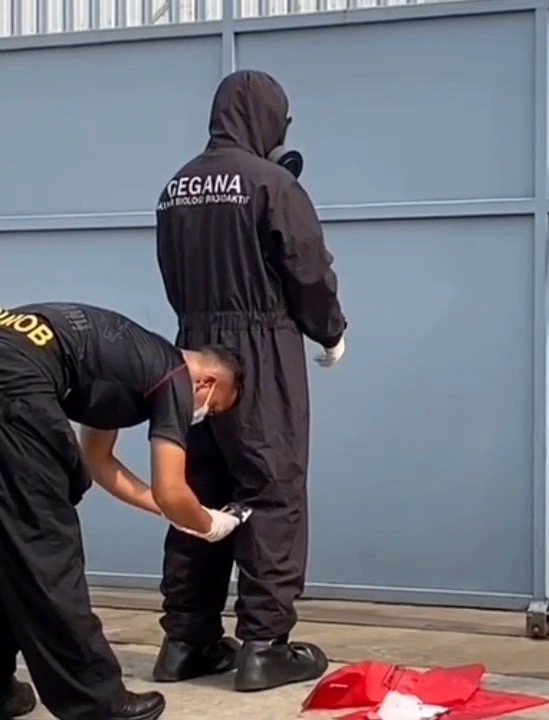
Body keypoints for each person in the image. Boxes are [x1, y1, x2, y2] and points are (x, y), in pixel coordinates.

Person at [151, 68, 347, 693]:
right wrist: (330, 331)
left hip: (191, 353)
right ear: (267, 119)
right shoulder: (272, 184)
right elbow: (307, 270)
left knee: (201, 486)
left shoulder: (176, 187)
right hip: (261, 348)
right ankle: (264, 646)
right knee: (272, 488)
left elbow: (170, 272)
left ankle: (186, 640)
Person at [0, 301, 245, 720]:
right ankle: (97, 703)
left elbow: (99, 463)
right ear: (206, 383)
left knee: (10, 546)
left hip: (13, 367)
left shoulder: (124, 366)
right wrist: (212, 524)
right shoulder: (174, 375)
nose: (204, 415)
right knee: (46, 550)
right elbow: (172, 491)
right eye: (215, 408)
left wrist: (180, 516)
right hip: (16, 385)